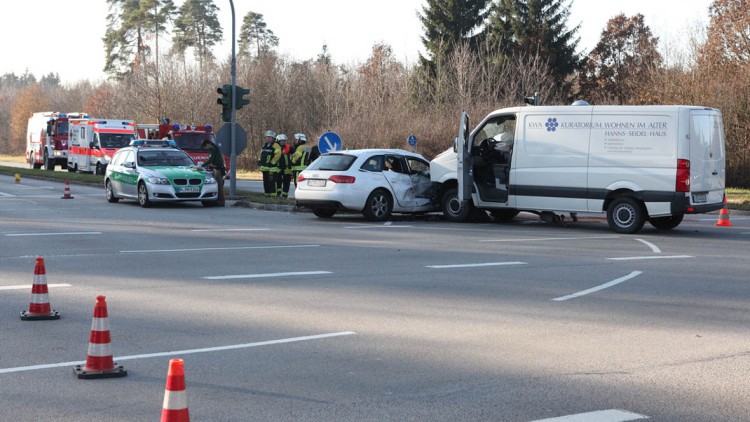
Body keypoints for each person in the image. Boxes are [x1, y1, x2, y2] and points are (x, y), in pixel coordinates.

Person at [201, 138, 226, 206]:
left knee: (219, 186)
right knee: (218, 185)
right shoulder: (214, 147)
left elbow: (210, 160)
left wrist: (202, 166)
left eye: (205, 146)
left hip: (218, 169)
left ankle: (221, 201)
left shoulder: (212, 148)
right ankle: (219, 200)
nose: (206, 148)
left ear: (208, 144)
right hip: (217, 168)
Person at [258, 130, 279, 197]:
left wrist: (272, 162)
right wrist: (259, 160)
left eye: (269, 137)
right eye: (267, 137)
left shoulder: (276, 146)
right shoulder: (265, 145)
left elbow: (277, 155)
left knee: (271, 182)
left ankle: (273, 195)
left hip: (272, 168)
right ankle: (266, 194)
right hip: (264, 168)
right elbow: (261, 154)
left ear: (273, 138)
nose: (268, 139)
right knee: (265, 182)